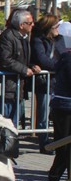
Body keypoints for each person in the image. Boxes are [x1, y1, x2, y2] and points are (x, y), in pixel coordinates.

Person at [0, 8, 39, 127]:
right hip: (8, 85)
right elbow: (5, 60)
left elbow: (21, 59)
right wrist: (24, 69)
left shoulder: (23, 37)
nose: (32, 25)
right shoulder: (8, 36)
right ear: (21, 25)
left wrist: (31, 66)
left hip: (18, 87)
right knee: (5, 121)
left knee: (14, 121)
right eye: (30, 23)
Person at [31, 14, 61, 152]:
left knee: (56, 113)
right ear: (49, 27)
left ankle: (57, 140)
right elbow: (42, 59)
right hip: (44, 82)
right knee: (43, 113)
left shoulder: (58, 39)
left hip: (56, 82)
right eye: (56, 26)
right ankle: (44, 143)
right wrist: (59, 66)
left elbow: (62, 55)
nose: (58, 28)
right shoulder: (38, 40)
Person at [49, 46, 71, 181]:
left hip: (64, 106)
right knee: (64, 146)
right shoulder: (68, 60)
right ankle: (53, 179)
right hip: (64, 107)